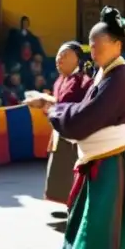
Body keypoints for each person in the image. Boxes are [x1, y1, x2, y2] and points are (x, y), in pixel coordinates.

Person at [27, 7, 125, 249]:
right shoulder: (106, 74)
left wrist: (50, 110)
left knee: (103, 223)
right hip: (102, 158)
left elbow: (86, 117)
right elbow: (85, 108)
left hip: (112, 162)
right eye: (91, 45)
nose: (93, 51)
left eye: (98, 45)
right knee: (98, 222)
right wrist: (52, 103)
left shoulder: (119, 78)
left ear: (117, 45)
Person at [42, 42, 90, 221]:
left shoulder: (81, 80)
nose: (59, 59)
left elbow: (69, 105)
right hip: (60, 131)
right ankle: (68, 203)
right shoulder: (60, 80)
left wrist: (48, 104)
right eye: (58, 55)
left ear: (77, 59)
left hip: (74, 133)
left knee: (72, 171)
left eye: (65, 55)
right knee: (61, 171)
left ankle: (76, 208)